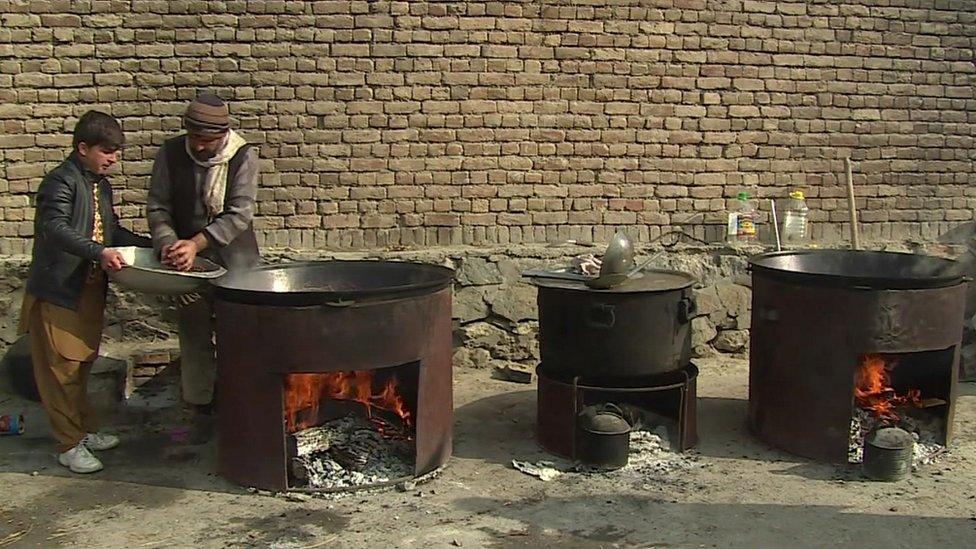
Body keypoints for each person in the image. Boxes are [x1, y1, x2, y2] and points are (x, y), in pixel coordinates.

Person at [19, 110, 151, 473]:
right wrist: (99, 253)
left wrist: (152, 248)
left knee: (81, 365)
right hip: (59, 289)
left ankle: (83, 431)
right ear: (82, 148)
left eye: (116, 152)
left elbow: (111, 232)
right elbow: (56, 229)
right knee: (60, 370)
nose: (113, 159)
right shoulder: (59, 182)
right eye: (106, 151)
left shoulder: (99, 184)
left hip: (88, 289)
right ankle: (68, 444)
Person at [147, 93, 260, 435]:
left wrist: (197, 243)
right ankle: (200, 407)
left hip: (237, 264)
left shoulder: (242, 155)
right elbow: (158, 207)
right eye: (193, 138)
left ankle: (244, 404)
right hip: (187, 268)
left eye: (206, 141)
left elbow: (240, 213)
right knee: (193, 334)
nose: (198, 147)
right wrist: (169, 244)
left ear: (222, 136)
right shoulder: (170, 154)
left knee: (239, 334)